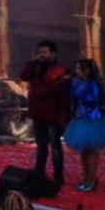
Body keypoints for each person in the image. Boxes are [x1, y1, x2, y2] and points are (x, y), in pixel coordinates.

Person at [19, 39, 70, 188]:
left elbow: (64, 96)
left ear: (53, 53)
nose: (42, 55)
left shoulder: (61, 70)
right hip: (38, 112)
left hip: (53, 114)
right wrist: (31, 62)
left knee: (55, 147)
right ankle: (39, 173)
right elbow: (23, 76)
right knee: (41, 146)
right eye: (40, 52)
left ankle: (58, 176)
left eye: (44, 52)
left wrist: (63, 116)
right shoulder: (36, 67)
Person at [64, 57, 105, 192]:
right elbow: (70, 96)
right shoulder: (76, 81)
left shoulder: (93, 83)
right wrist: (67, 86)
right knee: (83, 151)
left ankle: (91, 179)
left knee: (91, 150)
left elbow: (95, 99)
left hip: (91, 120)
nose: (75, 71)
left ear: (86, 70)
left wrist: (79, 93)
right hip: (79, 118)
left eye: (78, 68)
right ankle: (85, 178)